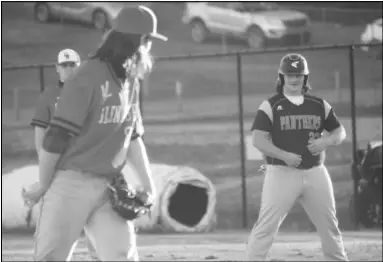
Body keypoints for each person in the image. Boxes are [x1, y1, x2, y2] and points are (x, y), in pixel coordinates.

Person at [22, 5, 167, 261]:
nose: (150, 47)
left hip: (108, 187)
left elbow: (131, 137)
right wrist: (44, 184)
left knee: (121, 254)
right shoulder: (88, 77)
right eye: (148, 40)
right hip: (70, 185)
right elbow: (55, 138)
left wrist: (149, 185)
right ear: (138, 41)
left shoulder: (130, 79)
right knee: (50, 257)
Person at [245, 53, 349, 261]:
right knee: (267, 226)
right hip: (281, 173)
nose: (294, 79)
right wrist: (284, 155)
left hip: (315, 172)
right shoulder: (271, 105)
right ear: (281, 77)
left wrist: (325, 142)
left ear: (306, 78)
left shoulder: (319, 104)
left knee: (329, 224)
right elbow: (258, 141)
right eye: (290, 75)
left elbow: (340, 132)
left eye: (299, 75)